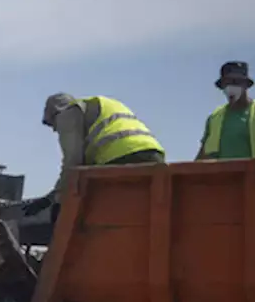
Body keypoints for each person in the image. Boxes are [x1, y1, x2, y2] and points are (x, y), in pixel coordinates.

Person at [23, 94, 165, 221]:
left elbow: (73, 163)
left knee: (89, 214)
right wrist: (52, 197)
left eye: (52, 124)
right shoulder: (100, 107)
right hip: (153, 154)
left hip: (120, 157)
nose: (55, 129)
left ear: (54, 113)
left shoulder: (67, 113)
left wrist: (58, 201)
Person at [197, 62, 255, 160]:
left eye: (236, 82)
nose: (230, 87)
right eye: (226, 83)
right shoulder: (214, 118)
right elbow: (202, 156)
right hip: (222, 175)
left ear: (246, 85)